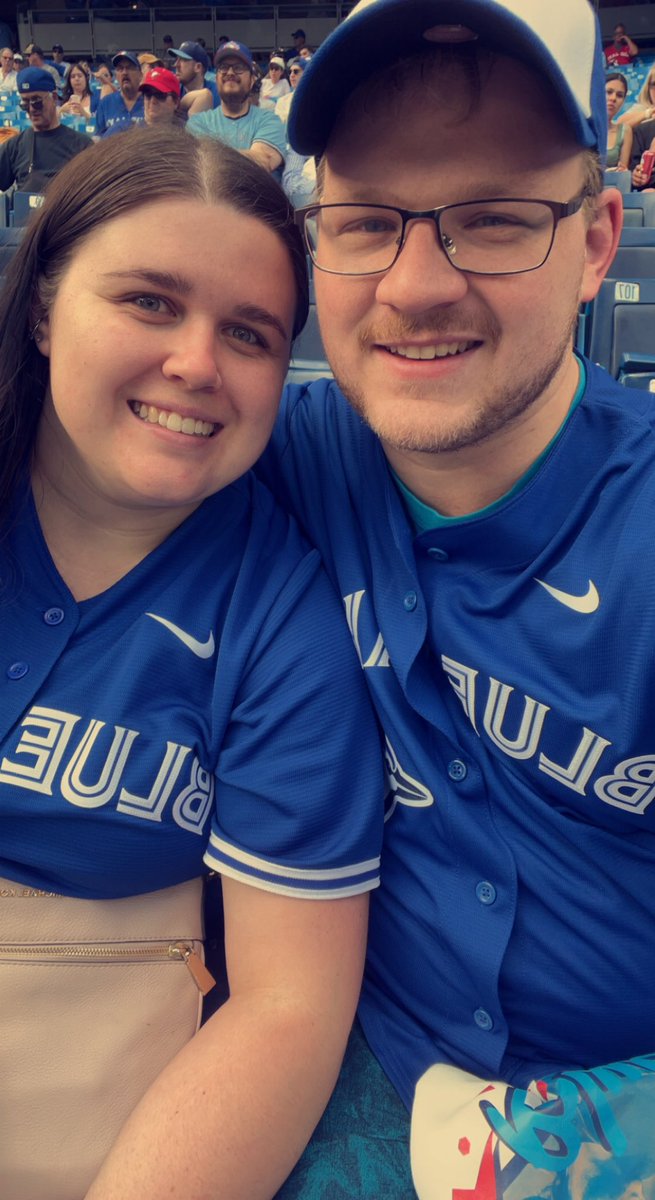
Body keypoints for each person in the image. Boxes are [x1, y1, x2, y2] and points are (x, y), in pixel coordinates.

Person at [255, 0, 655, 1195]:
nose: (416, 286)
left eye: (491, 221)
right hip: (347, 1067)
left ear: (595, 243)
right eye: (367, 222)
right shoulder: (256, 458)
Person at [0, 124, 383, 1199]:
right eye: (149, 301)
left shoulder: (281, 617)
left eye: (251, 334)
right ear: (43, 305)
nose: (196, 364)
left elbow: (286, 1008)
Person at [188, 40, 286, 175]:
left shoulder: (269, 121)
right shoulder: (198, 122)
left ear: (252, 80)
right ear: (216, 79)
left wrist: (211, 156)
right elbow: (196, 166)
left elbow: (262, 161)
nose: (230, 72)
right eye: (223, 67)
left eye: (238, 67)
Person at [0, 67, 91, 194]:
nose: (31, 109)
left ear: (53, 97)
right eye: (25, 103)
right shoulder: (14, 147)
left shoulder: (81, 145)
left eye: (37, 101)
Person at [94, 51, 144, 137]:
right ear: (116, 76)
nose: (124, 72)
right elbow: (98, 138)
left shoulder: (150, 102)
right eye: (120, 69)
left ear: (140, 75)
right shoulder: (106, 103)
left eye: (129, 68)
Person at [169, 40, 215, 115]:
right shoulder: (172, 93)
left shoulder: (218, 95)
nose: (176, 65)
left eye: (183, 60)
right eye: (177, 59)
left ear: (198, 67)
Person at [606, 72, 632, 169]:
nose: (613, 98)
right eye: (609, 92)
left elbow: (622, 171)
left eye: (619, 95)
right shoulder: (585, 126)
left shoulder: (625, 131)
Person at [617, 64, 655, 129]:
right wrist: (648, 113)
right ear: (647, 88)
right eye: (654, 84)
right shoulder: (641, 109)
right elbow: (619, 128)